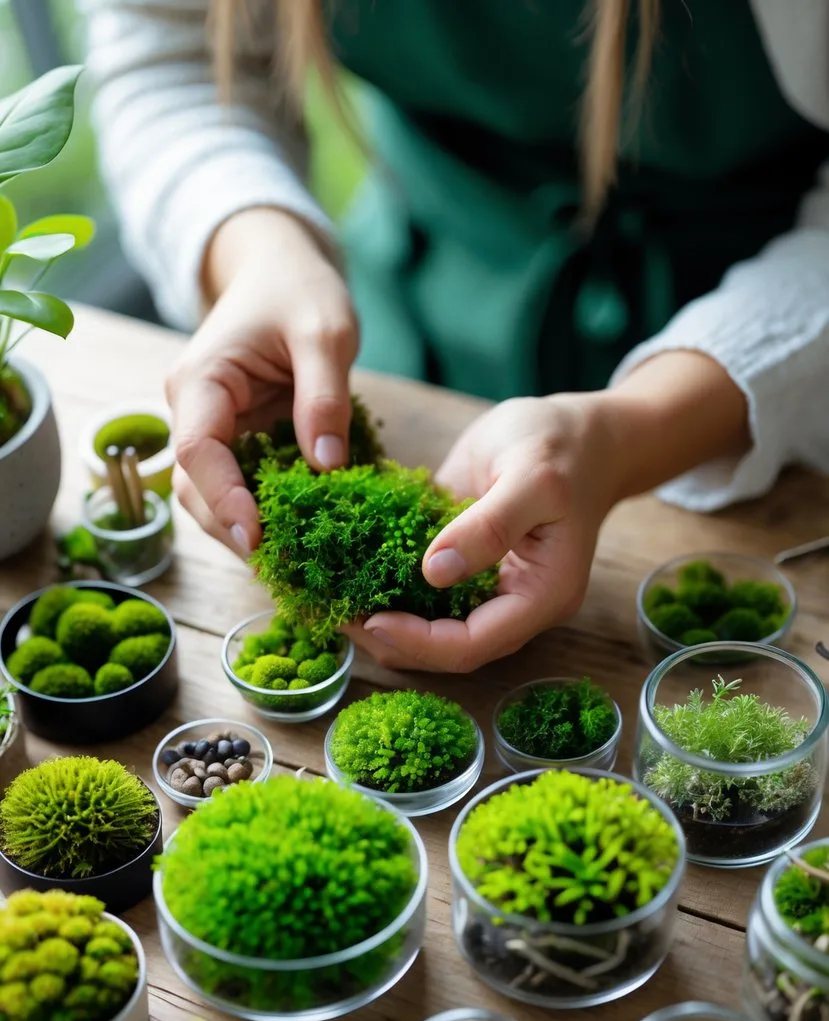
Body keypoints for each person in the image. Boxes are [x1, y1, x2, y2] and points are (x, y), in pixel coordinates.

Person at [82, 0, 829, 672]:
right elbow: (171, 44)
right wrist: (256, 252)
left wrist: (635, 430)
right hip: (401, 315)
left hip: (767, 344)